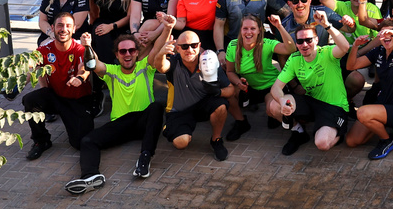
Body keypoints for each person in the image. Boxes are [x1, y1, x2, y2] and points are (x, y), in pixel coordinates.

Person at [65, 30, 165, 193]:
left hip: (143, 121)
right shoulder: (112, 71)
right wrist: (88, 46)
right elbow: (95, 64)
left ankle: (144, 159)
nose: (127, 54)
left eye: (131, 50)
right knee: (87, 141)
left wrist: (167, 28)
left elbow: (158, 48)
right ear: (117, 55)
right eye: (123, 51)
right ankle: (90, 177)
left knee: (156, 107)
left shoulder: (146, 66)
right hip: (121, 124)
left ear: (137, 53)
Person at [150, 15, 237, 160]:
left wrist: (218, 91)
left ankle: (216, 140)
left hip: (202, 104)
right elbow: (160, 66)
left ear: (199, 45)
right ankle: (173, 128)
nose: (189, 49)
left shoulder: (208, 61)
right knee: (181, 143)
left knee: (221, 106)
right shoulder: (174, 62)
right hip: (180, 110)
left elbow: (231, 90)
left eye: (193, 45)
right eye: (184, 46)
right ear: (177, 48)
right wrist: (161, 53)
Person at [269, 20, 353, 155]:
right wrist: (282, 101)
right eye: (300, 41)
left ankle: (337, 131)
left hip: (334, 106)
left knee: (322, 143)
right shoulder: (294, 59)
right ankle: (298, 132)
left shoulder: (327, 53)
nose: (304, 44)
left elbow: (344, 47)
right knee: (274, 105)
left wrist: (327, 25)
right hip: (311, 101)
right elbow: (276, 88)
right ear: (296, 43)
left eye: (309, 40)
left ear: (317, 40)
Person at [23, 13, 97, 159]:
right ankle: (41, 141)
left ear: (74, 29)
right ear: (53, 28)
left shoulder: (80, 49)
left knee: (79, 143)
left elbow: (85, 69)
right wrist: (17, 82)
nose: (64, 29)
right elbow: (30, 64)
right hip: (56, 97)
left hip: (78, 100)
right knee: (30, 100)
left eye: (68, 26)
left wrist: (80, 78)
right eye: (60, 25)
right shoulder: (46, 49)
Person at [345, 19, 393, 160]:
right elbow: (351, 65)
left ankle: (387, 140)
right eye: (383, 33)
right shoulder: (378, 51)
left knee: (362, 112)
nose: (387, 36)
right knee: (352, 141)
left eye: (390, 33)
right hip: (382, 106)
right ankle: (385, 127)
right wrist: (355, 46)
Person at [223, 13, 295, 133]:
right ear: (240, 30)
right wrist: (238, 82)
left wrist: (279, 27)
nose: (248, 32)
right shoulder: (233, 45)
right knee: (229, 92)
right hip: (248, 87)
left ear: (259, 30)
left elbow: (290, 49)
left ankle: (295, 128)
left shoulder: (266, 44)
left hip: (269, 86)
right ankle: (241, 122)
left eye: (253, 28)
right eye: (245, 28)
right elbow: (230, 71)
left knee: (272, 110)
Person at [76, 0, 140, 68]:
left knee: (124, 44)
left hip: (122, 25)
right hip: (103, 22)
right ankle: (103, 76)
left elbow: (130, 16)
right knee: (101, 36)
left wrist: (111, 26)